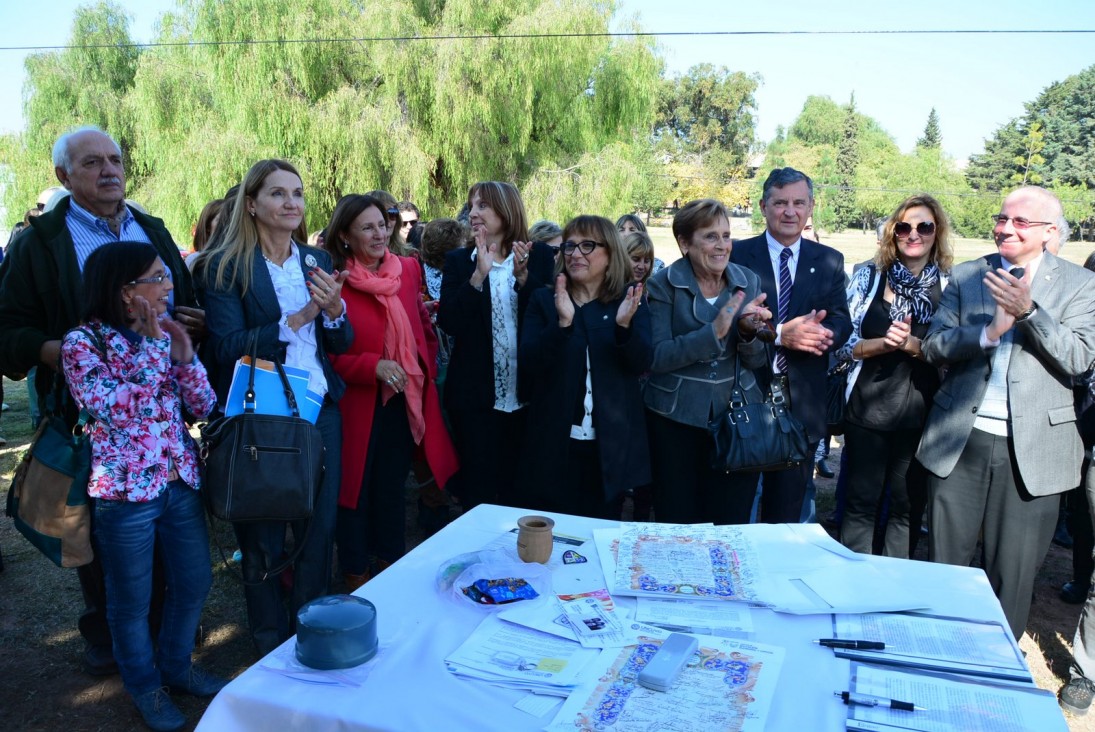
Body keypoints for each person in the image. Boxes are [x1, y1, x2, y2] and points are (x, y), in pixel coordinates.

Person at [0, 125, 203, 677]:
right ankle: (110, 633)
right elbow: (8, 331)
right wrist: (62, 353)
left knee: (162, 522)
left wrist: (188, 322)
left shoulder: (151, 228)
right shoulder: (39, 242)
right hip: (84, 416)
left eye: (115, 159)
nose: (109, 170)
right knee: (99, 532)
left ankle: (164, 632)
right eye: (92, 163)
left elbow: (180, 300)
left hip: (159, 418)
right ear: (63, 176)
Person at [916, 186, 1095, 644]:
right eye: (1002, 218)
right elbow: (935, 346)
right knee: (943, 568)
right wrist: (989, 331)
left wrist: (1029, 312)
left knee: (1011, 577)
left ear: (1050, 232)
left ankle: (995, 674)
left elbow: (1078, 358)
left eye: (1021, 222)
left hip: (1034, 452)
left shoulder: (1080, 284)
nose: (1005, 228)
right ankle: (936, 656)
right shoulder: (969, 275)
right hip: (960, 441)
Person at [60, 242, 224, 731]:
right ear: (126, 291)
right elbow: (118, 407)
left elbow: (202, 404)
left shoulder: (168, 332)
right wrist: (158, 351)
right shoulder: (82, 343)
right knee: (129, 603)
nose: (169, 285)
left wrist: (186, 356)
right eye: (158, 277)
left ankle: (176, 668)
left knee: (194, 580)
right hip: (125, 494)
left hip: (177, 481)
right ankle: (146, 688)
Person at [201, 158, 352, 656]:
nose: (292, 203)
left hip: (320, 411)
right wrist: (302, 316)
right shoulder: (226, 267)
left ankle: (310, 631)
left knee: (318, 526)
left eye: (298, 194)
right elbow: (226, 346)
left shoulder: (318, 261)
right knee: (263, 532)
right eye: (278, 194)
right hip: (261, 413)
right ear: (252, 204)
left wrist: (333, 315)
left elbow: (342, 342)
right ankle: (269, 641)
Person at [324, 194, 458, 590]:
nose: (380, 233)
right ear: (345, 236)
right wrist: (372, 366)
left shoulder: (409, 270)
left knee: (391, 487)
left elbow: (422, 324)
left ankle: (390, 570)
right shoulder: (333, 280)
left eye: (383, 224)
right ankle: (355, 572)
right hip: (356, 404)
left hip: (405, 399)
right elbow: (325, 354)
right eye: (367, 227)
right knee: (355, 491)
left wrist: (424, 368)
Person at [731, 167, 851, 523]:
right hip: (744, 399)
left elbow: (841, 321)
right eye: (780, 202)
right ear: (763, 206)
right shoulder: (737, 255)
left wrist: (820, 334)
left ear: (811, 206)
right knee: (736, 512)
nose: (790, 211)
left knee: (785, 515)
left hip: (802, 404)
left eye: (799, 202)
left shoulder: (829, 260)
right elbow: (729, 319)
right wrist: (782, 333)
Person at [835, 195, 952, 558]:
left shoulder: (951, 285)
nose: (913, 234)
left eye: (924, 227)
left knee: (906, 508)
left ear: (937, 232)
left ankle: (893, 585)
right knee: (860, 503)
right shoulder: (868, 277)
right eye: (904, 227)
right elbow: (841, 346)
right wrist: (881, 345)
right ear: (892, 233)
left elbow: (956, 353)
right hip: (867, 410)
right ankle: (852, 580)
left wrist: (915, 345)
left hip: (922, 414)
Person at [644, 199, 772, 524]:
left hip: (738, 421)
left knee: (731, 519)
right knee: (678, 517)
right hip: (675, 420)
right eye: (711, 237)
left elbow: (757, 362)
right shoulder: (662, 284)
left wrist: (746, 333)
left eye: (726, 236)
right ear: (684, 242)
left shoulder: (748, 281)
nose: (722, 246)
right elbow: (657, 357)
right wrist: (713, 333)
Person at [518, 215, 651, 518]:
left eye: (587, 246)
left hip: (609, 451)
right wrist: (562, 325)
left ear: (610, 254)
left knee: (600, 539)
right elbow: (529, 364)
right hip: (554, 448)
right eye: (569, 246)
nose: (575, 254)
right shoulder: (544, 299)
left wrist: (624, 328)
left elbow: (642, 362)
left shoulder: (629, 301)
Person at [437, 181, 555, 510]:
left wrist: (523, 279)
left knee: (524, 492)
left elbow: (551, 319)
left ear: (506, 209)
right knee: (480, 493)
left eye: (483, 206)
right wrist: (478, 277)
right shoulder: (460, 262)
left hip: (529, 397)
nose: (473, 213)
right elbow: (449, 323)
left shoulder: (540, 255)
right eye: (471, 205)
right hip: (475, 400)